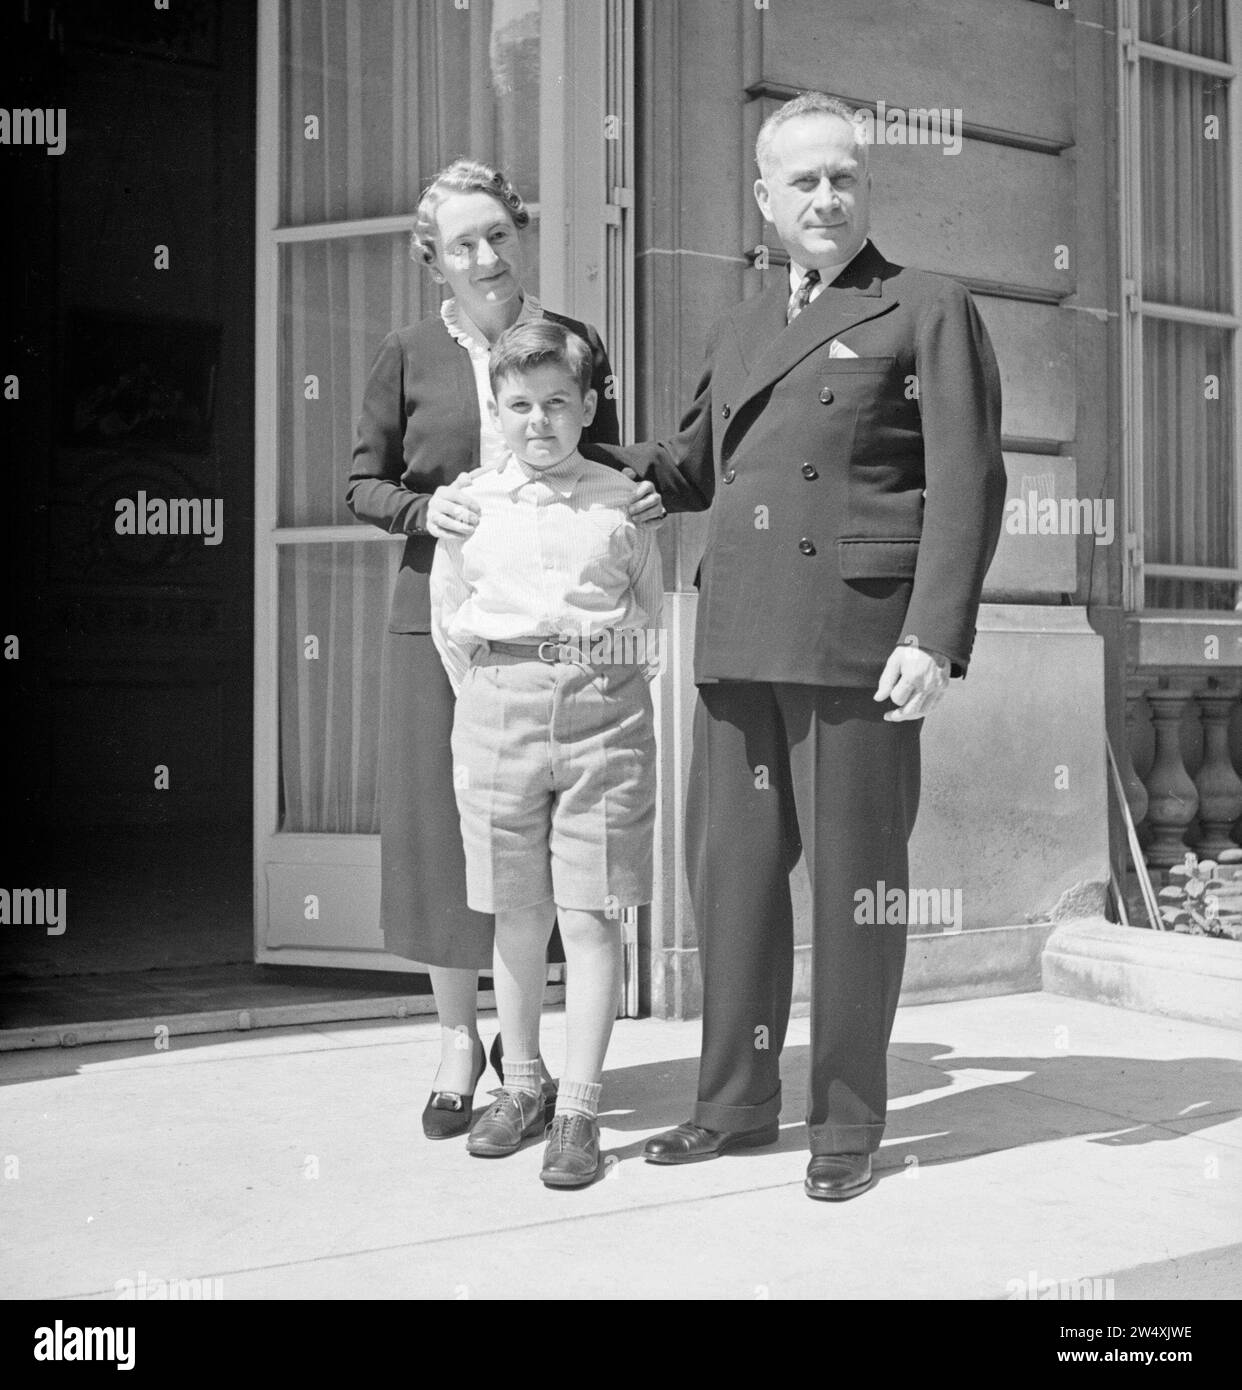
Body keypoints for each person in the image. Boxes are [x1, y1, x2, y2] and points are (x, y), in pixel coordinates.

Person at [583, 93, 1007, 1200]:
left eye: (844, 177)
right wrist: (559, 435)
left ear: (865, 187)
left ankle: (849, 1125)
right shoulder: (737, 323)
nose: (826, 198)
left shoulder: (926, 306)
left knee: (856, 889)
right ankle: (732, 1107)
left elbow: (967, 482)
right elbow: (691, 468)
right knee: (728, 881)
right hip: (737, 634)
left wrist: (934, 633)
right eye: (802, 182)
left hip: (858, 639)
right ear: (764, 201)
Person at [347, 159, 664, 1139]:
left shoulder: (570, 344)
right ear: (432, 258)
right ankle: (457, 1038)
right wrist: (418, 505)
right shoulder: (406, 352)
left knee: (555, 857)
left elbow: (607, 460)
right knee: (450, 837)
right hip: (441, 617)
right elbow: (359, 482)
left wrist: (652, 484)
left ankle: (543, 1070)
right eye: (461, 242)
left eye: (498, 233)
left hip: (563, 636)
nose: (484, 256)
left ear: (518, 232)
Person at [430, 320, 662, 1187]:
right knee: (516, 910)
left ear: (588, 407)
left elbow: (645, 614)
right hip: (497, 708)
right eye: (520, 405)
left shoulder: (623, 501)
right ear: (498, 410)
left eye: (557, 403)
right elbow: (454, 621)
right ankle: (521, 1084)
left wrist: (599, 683)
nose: (539, 422)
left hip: (604, 711)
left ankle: (580, 1110)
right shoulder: (469, 503)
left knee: (592, 912)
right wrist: (497, 696)